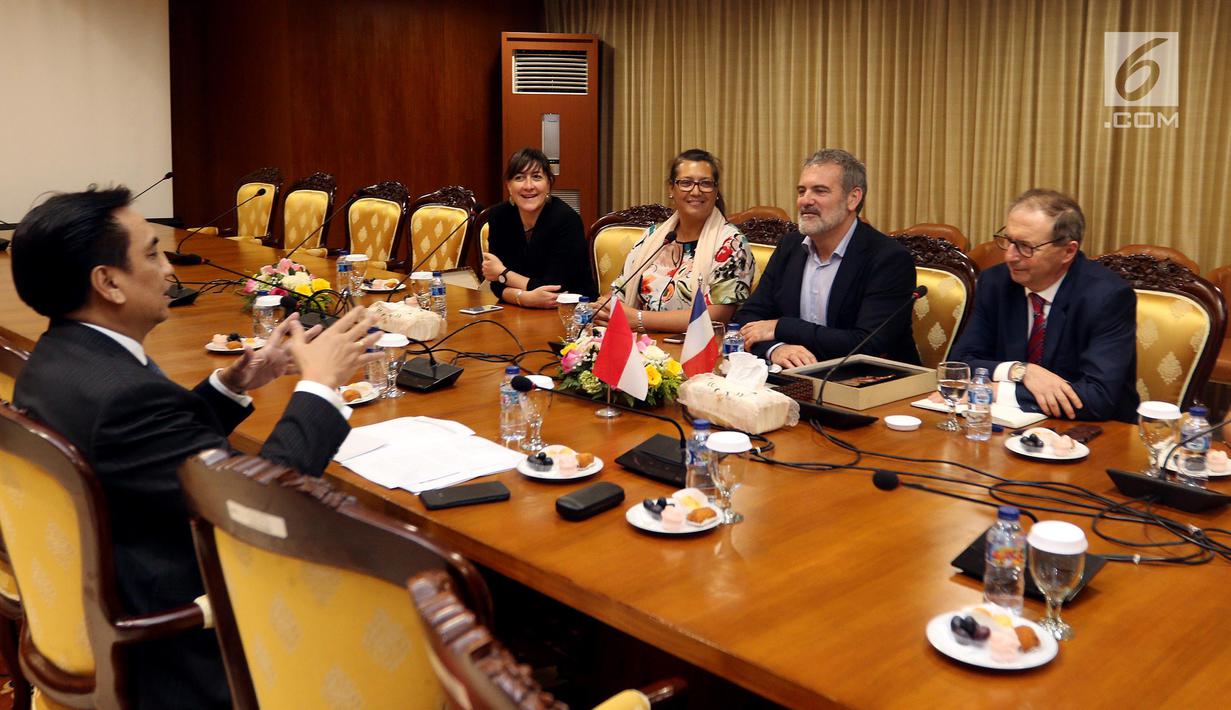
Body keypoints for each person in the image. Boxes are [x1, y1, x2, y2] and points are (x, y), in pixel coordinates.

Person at [11, 187, 382, 709]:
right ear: (108, 282)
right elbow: (255, 508)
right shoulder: (125, 398)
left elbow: (156, 458)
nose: (170, 270)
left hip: (105, 596)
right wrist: (320, 385)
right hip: (180, 649)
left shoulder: (58, 360)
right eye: (152, 253)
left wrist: (231, 385)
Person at [949, 189, 1138, 421]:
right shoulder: (996, 282)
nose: (1010, 256)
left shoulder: (1107, 297)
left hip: (1096, 434)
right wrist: (1021, 371)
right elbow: (960, 363)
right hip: (1008, 426)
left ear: (1068, 251)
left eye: (1025, 246)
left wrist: (997, 390)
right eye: (1008, 241)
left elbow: (1098, 397)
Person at [735, 149, 919, 367]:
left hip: (867, 385)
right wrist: (775, 348)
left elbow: (868, 345)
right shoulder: (790, 246)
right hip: (792, 377)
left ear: (853, 199)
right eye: (801, 191)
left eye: (820, 191)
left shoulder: (888, 259)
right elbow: (748, 318)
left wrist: (783, 327)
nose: (805, 201)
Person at [594, 148, 754, 333]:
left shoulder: (732, 244)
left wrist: (638, 319)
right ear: (671, 189)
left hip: (697, 349)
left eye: (706, 184)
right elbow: (622, 289)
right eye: (686, 183)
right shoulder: (654, 237)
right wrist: (605, 307)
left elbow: (716, 316)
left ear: (716, 191)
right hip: (642, 346)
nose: (696, 191)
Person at [481, 148, 597, 306]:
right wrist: (525, 298)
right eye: (519, 177)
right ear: (508, 185)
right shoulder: (499, 216)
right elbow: (496, 284)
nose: (528, 186)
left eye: (536, 177)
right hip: (518, 311)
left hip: (572, 313)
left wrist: (504, 273)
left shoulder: (566, 220)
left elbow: (554, 291)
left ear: (548, 184)